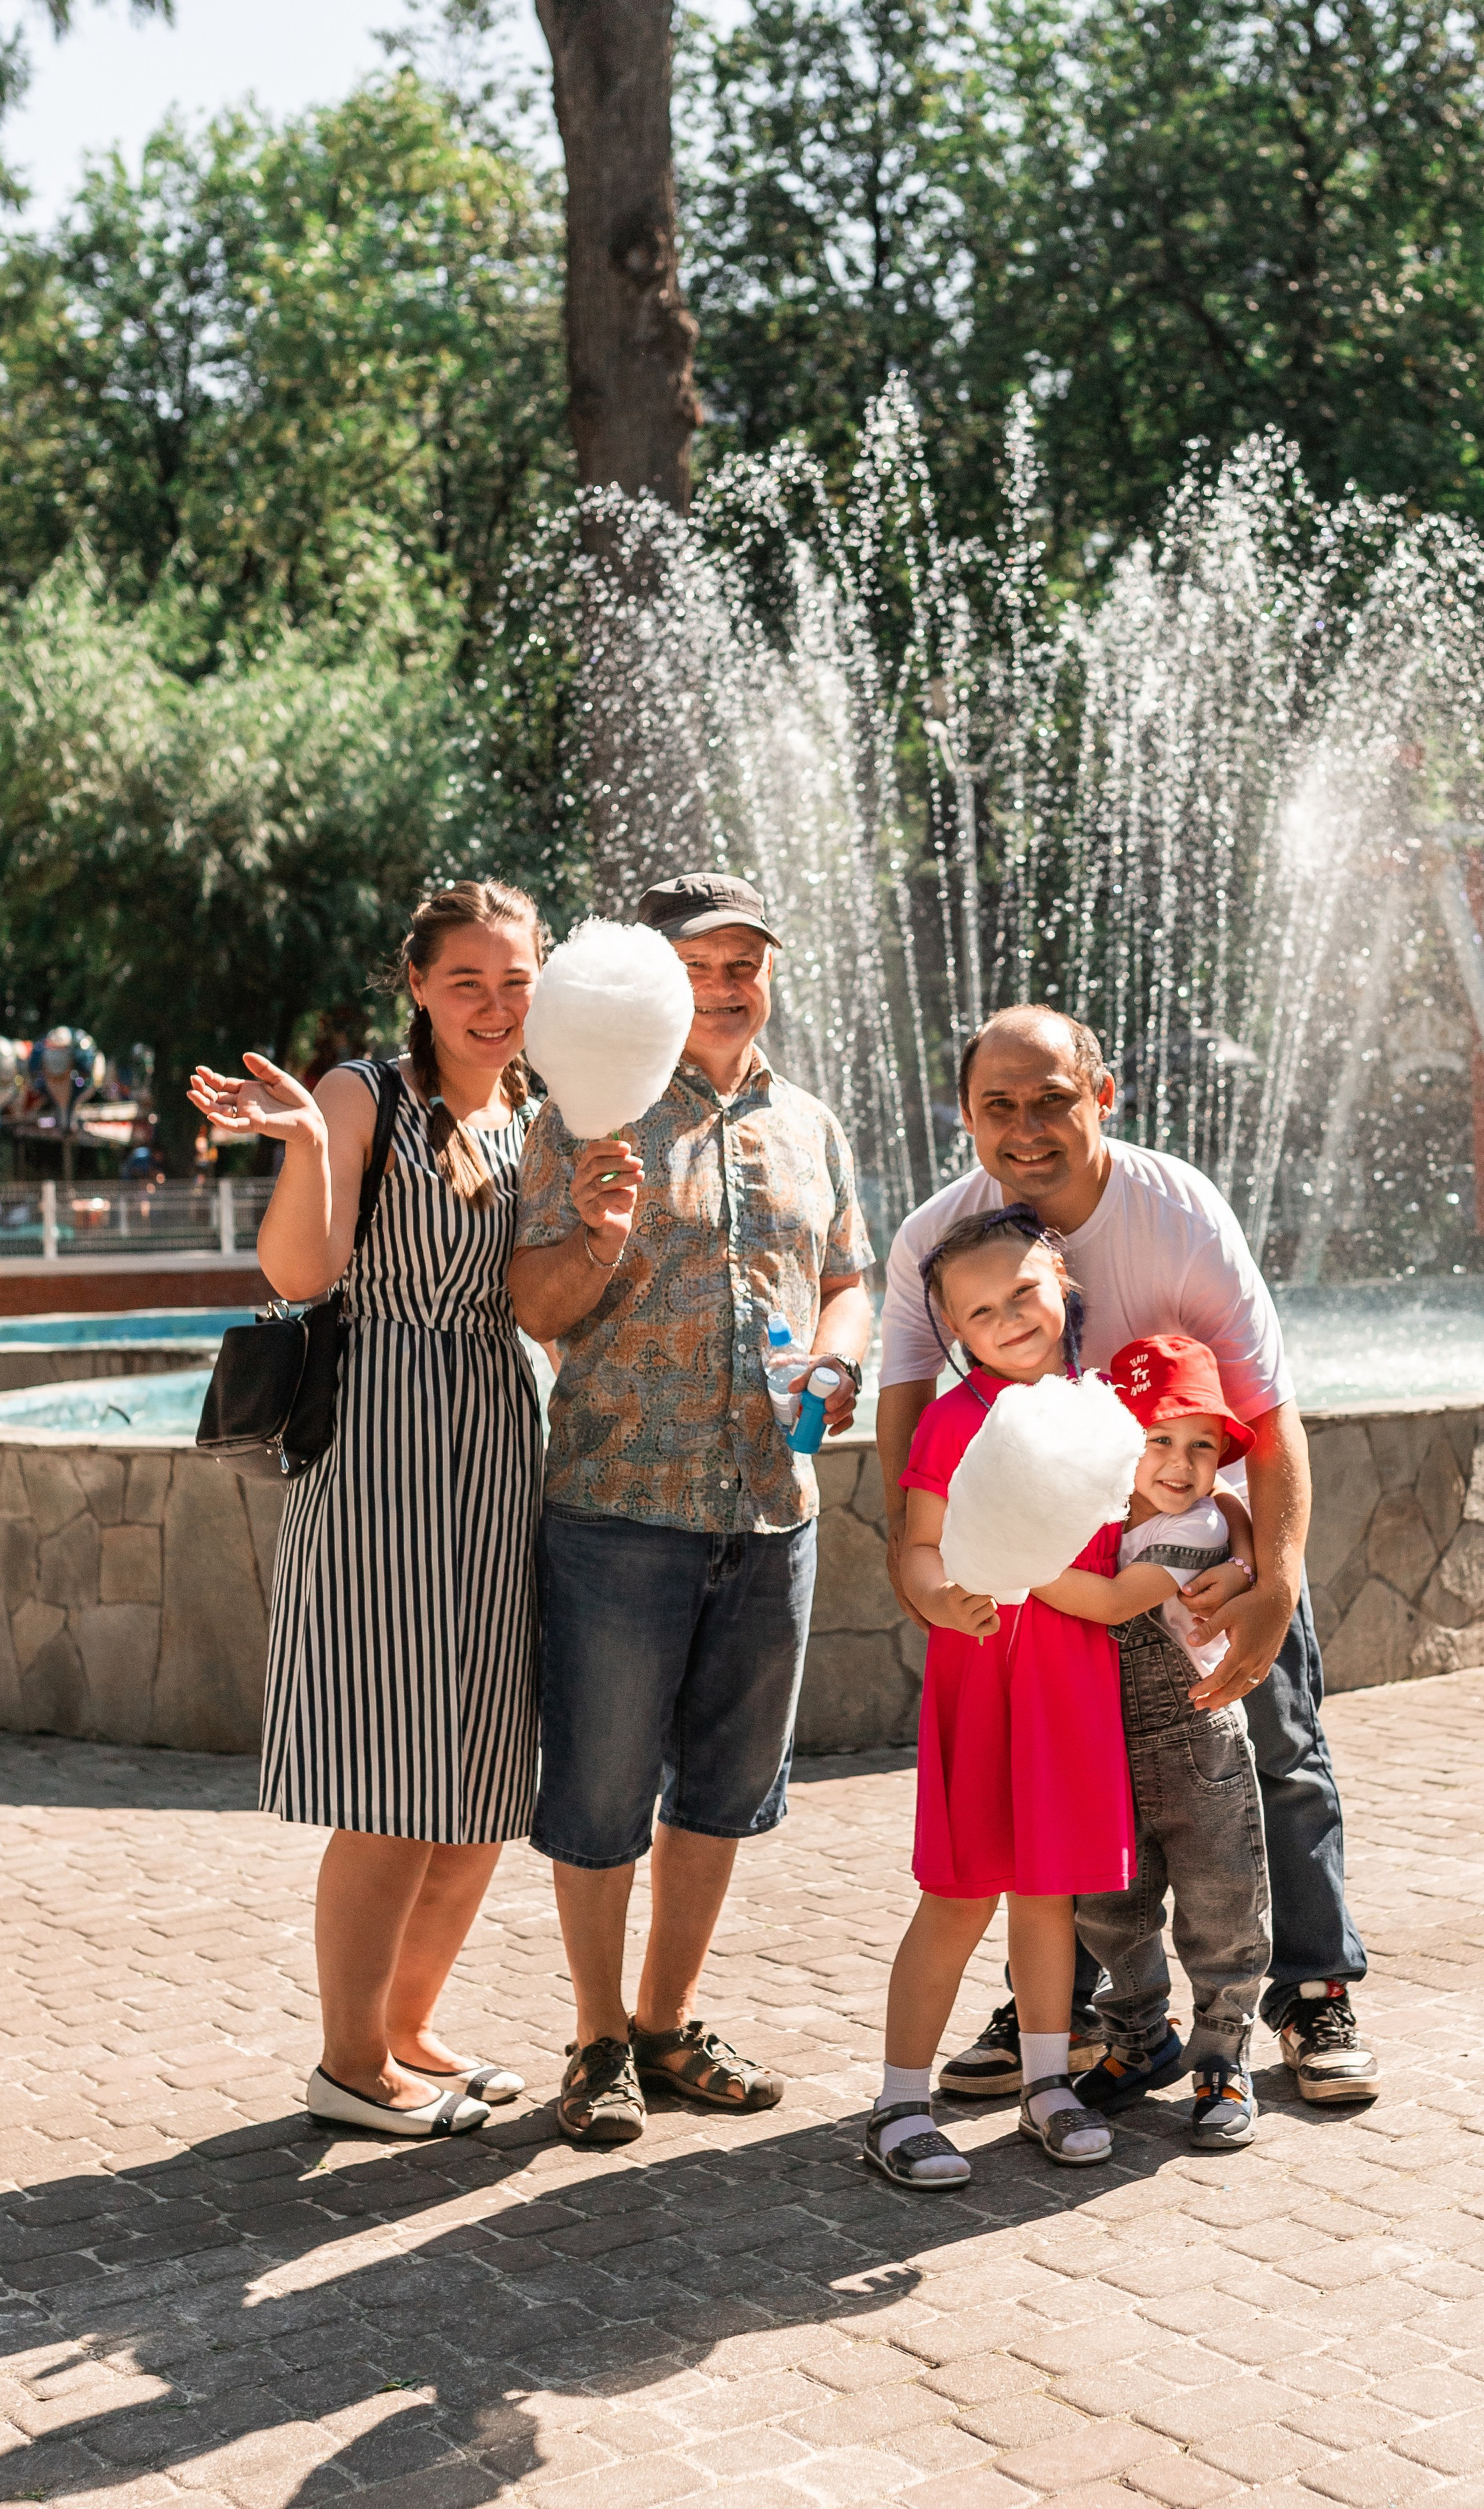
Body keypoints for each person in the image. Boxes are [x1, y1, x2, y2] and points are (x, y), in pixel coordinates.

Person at [876, 1003, 1378, 2109]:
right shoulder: (935, 1238)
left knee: (1277, 1756)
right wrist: (929, 1583)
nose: (1026, 1126)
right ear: (964, 1116)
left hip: (1200, 1552)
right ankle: (1066, 2011)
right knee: (1063, 1794)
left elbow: (1270, 1412)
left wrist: (1275, 1582)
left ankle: (1315, 1988)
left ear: (1101, 1095)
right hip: (1053, 1594)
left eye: (1052, 1098)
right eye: (997, 1104)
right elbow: (908, 1421)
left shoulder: (1177, 1209)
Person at [511, 871, 874, 2147]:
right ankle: (598, 2037)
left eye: (747, 964)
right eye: (704, 965)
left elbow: (851, 1278)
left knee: (724, 1790)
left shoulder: (812, 1124)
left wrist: (840, 1354)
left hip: (771, 1512)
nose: (730, 987)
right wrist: (602, 1236)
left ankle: (667, 2026)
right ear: (654, 982)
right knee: (602, 1792)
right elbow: (538, 1312)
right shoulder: (580, 1116)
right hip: (618, 1508)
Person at [188, 880, 544, 2140]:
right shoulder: (362, 1096)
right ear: (419, 986)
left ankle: (408, 2023)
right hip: (385, 1440)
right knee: (394, 1772)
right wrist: (303, 1143)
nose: (496, 1006)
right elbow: (298, 1273)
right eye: (469, 982)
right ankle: (349, 2063)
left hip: (498, 1444)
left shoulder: (536, 1112)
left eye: (516, 981)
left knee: (489, 1766)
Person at [870, 1208, 1263, 2187]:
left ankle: (1047, 2083)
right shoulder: (955, 1420)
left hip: (1072, 1688)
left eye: (1024, 1293)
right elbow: (917, 1545)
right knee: (958, 1899)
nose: (1008, 1317)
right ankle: (898, 2101)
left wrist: (1250, 1552)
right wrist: (939, 1597)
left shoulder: (1105, 1414)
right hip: (986, 1677)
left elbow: (1191, 1498)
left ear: (1064, 1289)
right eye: (980, 1309)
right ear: (954, 1331)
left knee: (1052, 1898)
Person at [1072, 1333, 1273, 2149]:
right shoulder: (1104, 1508)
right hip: (1106, 1742)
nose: (1182, 1463)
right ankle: (1138, 2037)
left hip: (1199, 1744)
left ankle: (1223, 2056)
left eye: (1203, 1445)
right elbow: (1236, 1507)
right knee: (1110, 1908)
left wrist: (1008, 1565)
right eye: (1158, 1439)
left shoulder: (1191, 1530)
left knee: (1221, 1904)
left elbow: (1117, 1603)